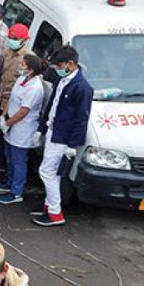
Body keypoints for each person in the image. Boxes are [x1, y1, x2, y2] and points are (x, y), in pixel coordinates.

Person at [33, 46, 92, 227]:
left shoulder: (82, 88)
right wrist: (42, 129)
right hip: (53, 131)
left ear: (71, 64)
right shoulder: (63, 80)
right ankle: (50, 205)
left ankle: (55, 212)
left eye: (59, 65)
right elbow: (52, 104)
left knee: (47, 171)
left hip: (63, 138)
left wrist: (72, 145)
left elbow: (82, 118)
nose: (57, 68)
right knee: (53, 173)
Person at [0, 54, 45, 205]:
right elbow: (12, 98)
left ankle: (16, 192)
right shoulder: (22, 80)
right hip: (11, 124)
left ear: (31, 69)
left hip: (23, 128)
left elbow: (23, 111)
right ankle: (9, 182)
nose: (20, 66)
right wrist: (4, 115)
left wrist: (7, 124)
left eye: (23, 64)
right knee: (9, 157)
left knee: (18, 160)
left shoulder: (35, 88)